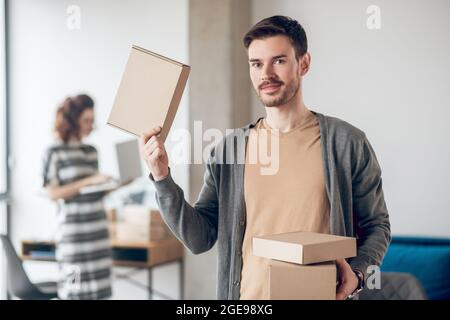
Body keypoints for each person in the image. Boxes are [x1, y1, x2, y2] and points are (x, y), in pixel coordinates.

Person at [139, 15, 391, 300]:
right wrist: (161, 178)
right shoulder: (229, 149)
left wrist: (357, 275)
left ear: (303, 63)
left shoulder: (347, 143)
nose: (265, 74)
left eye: (279, 61)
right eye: (256, 64)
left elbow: (376, 225)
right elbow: (199, 239)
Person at [42, 94, 113, 299]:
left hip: (98, 236)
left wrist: (108, 186)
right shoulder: (54, 151)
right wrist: (89, 181)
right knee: (73, 293)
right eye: (86, 120)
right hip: (74, 241)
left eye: (92, 120)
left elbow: (91, 193)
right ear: (72, 121)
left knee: (100, 294)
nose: (91, 125)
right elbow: (53, 193)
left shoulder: (92, 151)